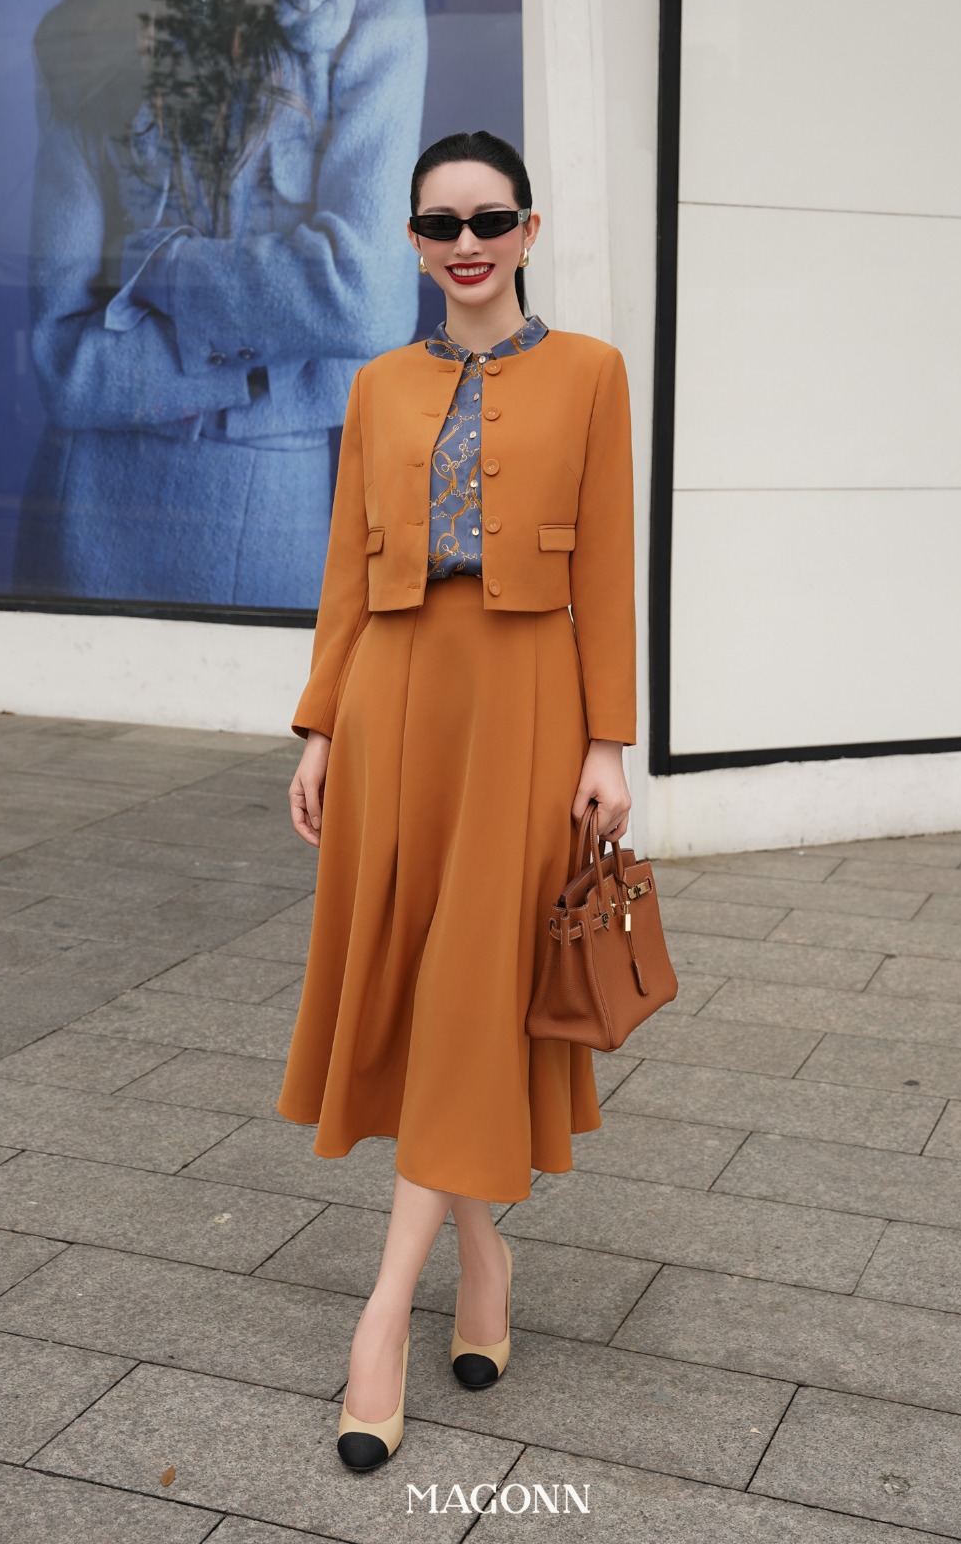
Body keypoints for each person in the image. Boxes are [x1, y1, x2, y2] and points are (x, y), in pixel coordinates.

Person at [276, 128, 635, 1469]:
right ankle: (483, 1258)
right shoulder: (377, 384)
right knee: (424, 984)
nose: (467, 243)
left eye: (491, 220)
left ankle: (381, 1317)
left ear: (529, 231)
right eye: (442, 223)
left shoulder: (591, 372)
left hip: (529, 699)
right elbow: (343, 566)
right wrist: (320, 724)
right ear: (416, 242)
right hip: (393, 701)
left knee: (475, 984)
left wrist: (611, 742)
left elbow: (609, 564)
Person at [15, 0, 426, 609]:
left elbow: (369, 302)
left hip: (271, 520)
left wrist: (161, 272)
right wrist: (265, 370)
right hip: (86, 522)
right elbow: (63, 364)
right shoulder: (82, 24)